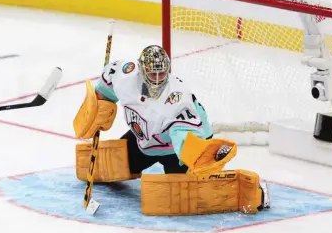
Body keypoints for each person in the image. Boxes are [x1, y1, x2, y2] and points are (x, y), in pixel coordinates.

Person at [73, 45, 270, 212]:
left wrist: (196, 155)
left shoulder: (176, 98)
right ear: (141, 70)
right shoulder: (125, 74)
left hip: (176, 147)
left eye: (162, 72)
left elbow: (184, 138)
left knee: (183, 195)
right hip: (145, 141)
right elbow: (106, 85)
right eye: (152, 72)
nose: (158, 78)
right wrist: (100, 105)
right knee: (106, 164)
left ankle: (251, 191)